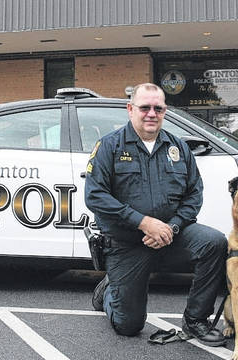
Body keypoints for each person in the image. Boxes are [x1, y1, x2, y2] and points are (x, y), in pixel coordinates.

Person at [84, 83, 227, 346]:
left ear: (165, 111)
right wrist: (144, 223)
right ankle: (108, 292)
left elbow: (194, 195)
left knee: (214, 243)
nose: (151, 113)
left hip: (171, 235)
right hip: (127, 243)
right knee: (129, 326)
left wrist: (171, 227)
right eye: (144, 107)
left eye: (158, 108)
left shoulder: (178, 148)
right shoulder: (109, 146)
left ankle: (195, 319)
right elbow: (95, 196)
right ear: (130, 109)